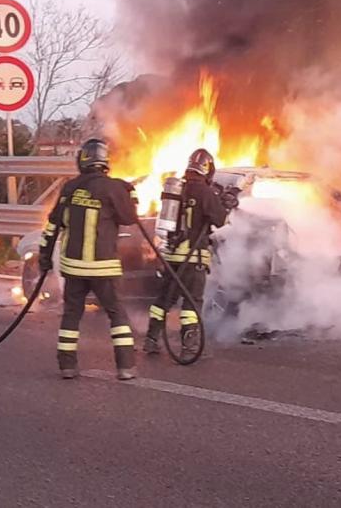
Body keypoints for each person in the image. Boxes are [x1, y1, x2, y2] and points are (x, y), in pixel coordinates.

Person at [38, 138, 139, 381]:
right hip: (103, 267)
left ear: (82, 160)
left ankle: (67, 366)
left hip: (74, 268)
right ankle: (125, 366)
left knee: (72, 314)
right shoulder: (113, 188)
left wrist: (44, 257)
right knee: (116, 314)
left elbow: (52, 226)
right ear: (105, 161)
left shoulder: (70, 188)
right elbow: (129, 218)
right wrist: (131, 195)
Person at [143, 148, 233, 358]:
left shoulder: (178, 189)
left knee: (164, 299)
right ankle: (189, 347)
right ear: (208, 169)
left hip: (172, 256)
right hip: (193, 259)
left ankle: (151, 340)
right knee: (192, 303)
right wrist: (227, 205)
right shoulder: (205, 192)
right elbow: (220, 220)